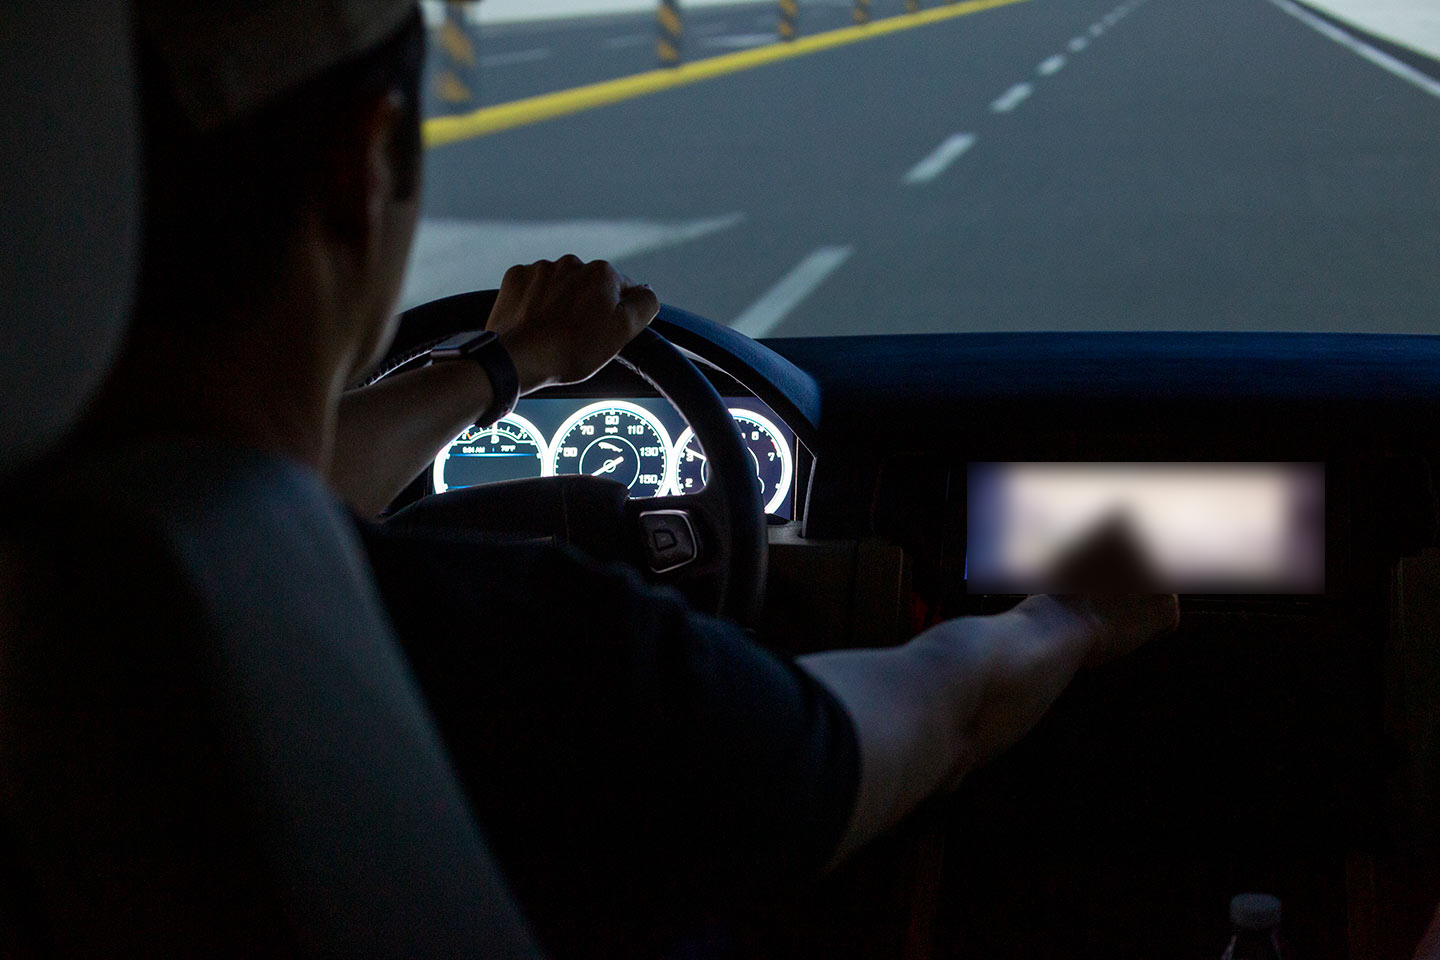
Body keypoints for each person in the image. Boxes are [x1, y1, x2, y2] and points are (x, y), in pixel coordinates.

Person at [91, 0, 1179, 954]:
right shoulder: (547, 655)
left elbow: (280, 480)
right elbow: (942, 718)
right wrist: (1072, 615)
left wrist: (509, 365)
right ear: (362, 167)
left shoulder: (101, 569)